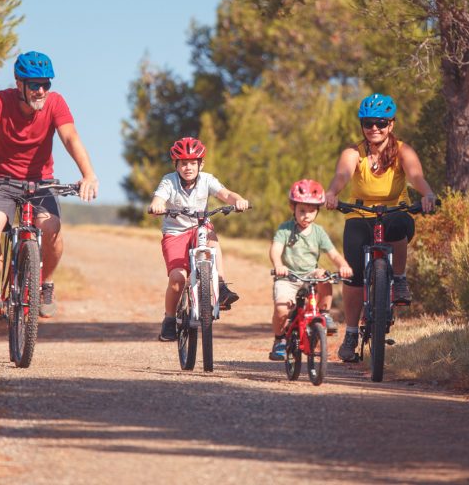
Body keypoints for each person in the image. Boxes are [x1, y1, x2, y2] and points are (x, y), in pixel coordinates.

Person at [0, 51, 99, 319]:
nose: (41, 90)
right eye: (34, 84)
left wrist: (88, 174)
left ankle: (44, 284)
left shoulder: (55, 103)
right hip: (2, 182)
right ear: (19, 84)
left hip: (41, 183)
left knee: (51, 228)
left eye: (45, 84)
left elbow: (70, 137)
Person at [325, 93, 436, 362]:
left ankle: (398, 279)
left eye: (381, 122)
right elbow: (342, 175)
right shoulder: (354, 153)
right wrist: (331, 193)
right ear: (362, 125)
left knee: (398, 225)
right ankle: (351, 333)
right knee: (353, 273)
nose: (374, 128)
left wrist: (427, 194)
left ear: (391, 124)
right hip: (360, 213)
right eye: (368, 123)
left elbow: (416, 175)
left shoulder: (403, 151)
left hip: (395, 209)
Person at [148, 137, 250, 341]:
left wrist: (238, 200)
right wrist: (157, 205)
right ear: (176, 165)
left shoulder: (207, 179)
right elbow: (159, 198)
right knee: (177, 278)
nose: (188, 167)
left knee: (211, 238)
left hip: (199, 227)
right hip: (175, 233)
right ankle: (169, 319)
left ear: (200, 164)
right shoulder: (169, 181)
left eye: (193, 163)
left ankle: (220, 285)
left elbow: (226, 194)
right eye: (183, 163)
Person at [268, 179, 353, 361]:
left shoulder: (319, 232)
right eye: (302, 211)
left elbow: (333, 254)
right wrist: (278, 265)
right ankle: (279, 340)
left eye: (311, 211)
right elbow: (275, 249)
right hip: (288, 276)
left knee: (324, 276)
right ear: (293, 208)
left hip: (310, 275)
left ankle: (324, 315)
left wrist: (343, 266)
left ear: (318, 211)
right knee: (282, 310)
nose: (306, 216)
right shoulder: (285, 229)